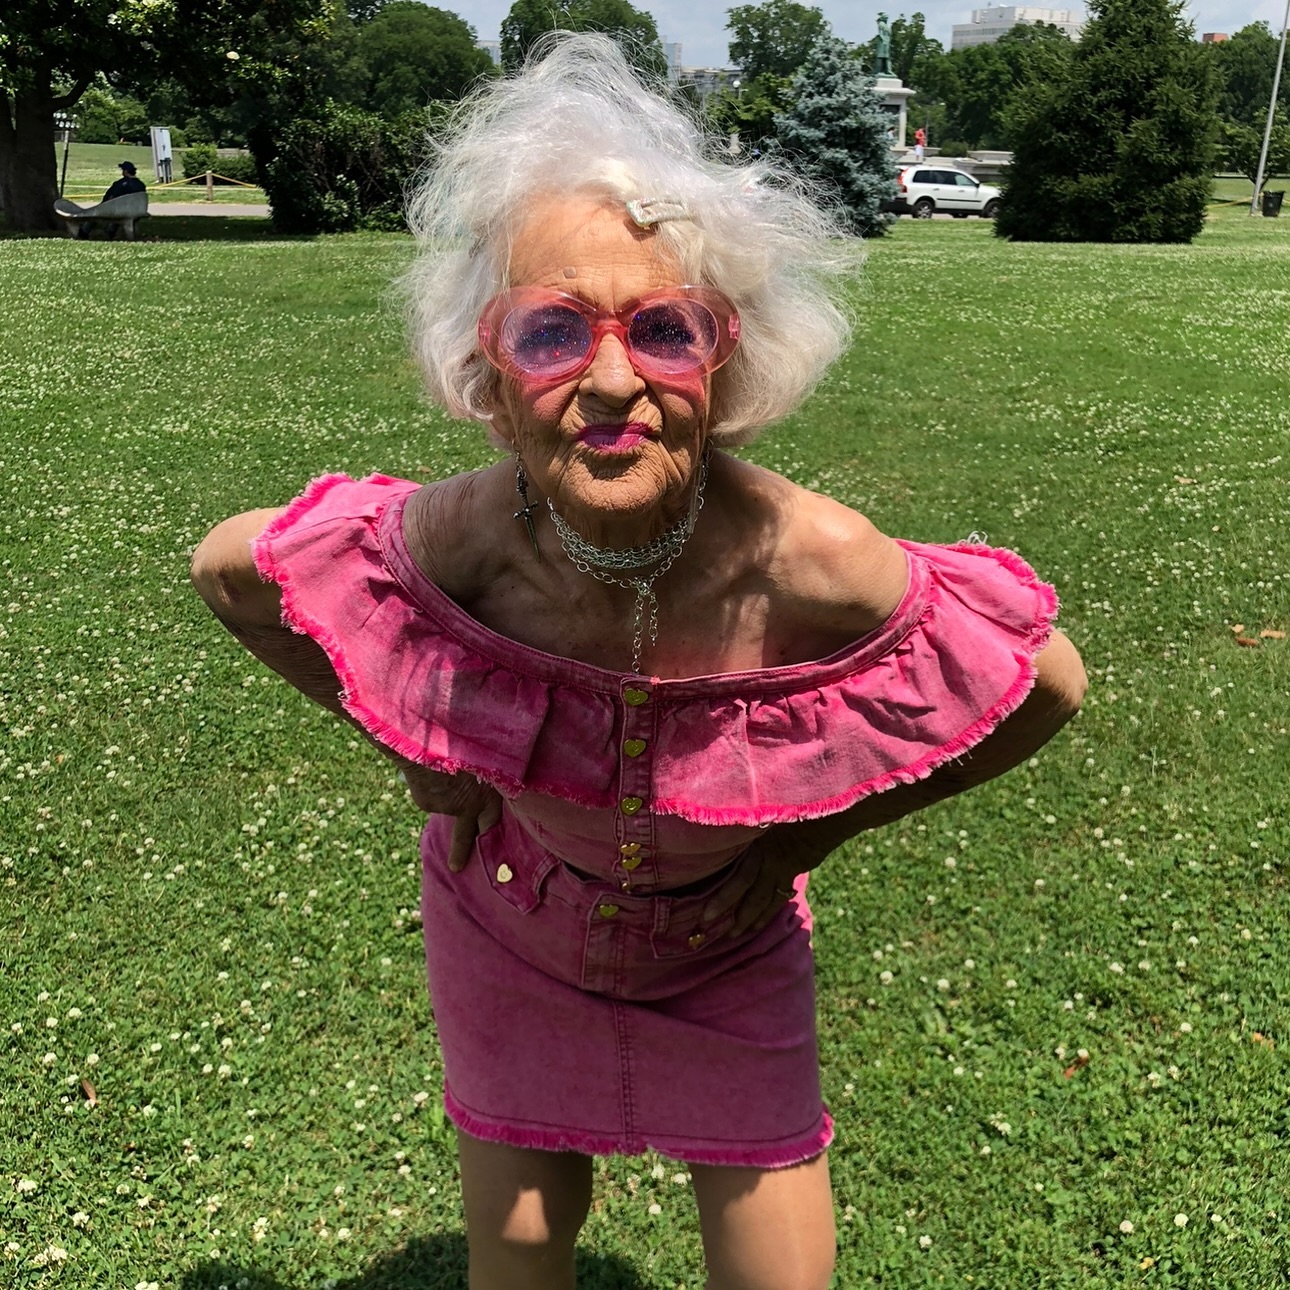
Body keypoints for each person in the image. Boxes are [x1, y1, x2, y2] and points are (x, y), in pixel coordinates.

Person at [190, 34, 1086, 1290]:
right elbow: (232, 572)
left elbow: (1045, 682)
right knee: (518, 1245)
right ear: (486, 371)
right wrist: (417, 753)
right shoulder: (452, 543)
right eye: (552, 331)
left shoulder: (811, 560)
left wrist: (811, 836)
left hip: (727, 945)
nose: (613, 380)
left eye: (666, 330)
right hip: (509, 918)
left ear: (732, 363)